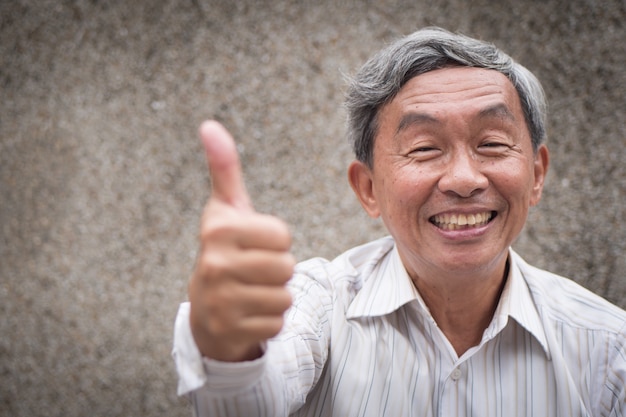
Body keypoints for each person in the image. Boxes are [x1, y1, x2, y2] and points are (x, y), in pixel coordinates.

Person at [172, 27, 626, 416]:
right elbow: (248, 401)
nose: (464, 180)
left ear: (536, 175)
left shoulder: (609, 350)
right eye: (424, 148)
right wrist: (230, 348)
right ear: (368, 188)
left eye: (491, 143)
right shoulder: (321, 308)